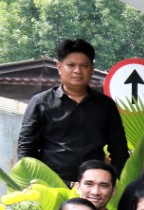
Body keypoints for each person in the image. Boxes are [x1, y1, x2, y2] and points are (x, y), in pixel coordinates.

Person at [17, 39, 127, 185]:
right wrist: (28, 183)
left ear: (92, 68)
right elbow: (26, 147)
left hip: (93, 187)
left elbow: (119, 149)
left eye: (84, 65)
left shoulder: (105, 105)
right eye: (71, 65)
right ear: (59, 67)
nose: (77, 71)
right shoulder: (41, 102)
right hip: (51, 185)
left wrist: (115, 182)